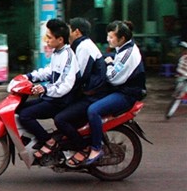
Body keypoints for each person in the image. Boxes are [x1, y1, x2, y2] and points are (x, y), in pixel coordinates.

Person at [17, 18, 80, 161]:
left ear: (60, 39)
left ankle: (48, 141)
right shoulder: (57, 52)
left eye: (49, 37)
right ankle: (37, 138)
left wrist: (45, 89)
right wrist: (29, 76)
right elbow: (48, 71)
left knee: (25, 115)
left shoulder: (68, 56)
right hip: (52, 97)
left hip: (61, 100)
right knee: (19, 109)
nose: (46, 40)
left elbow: (65, 85)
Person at [85, 20, 146, 165]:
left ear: (122, 38)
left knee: (93, 110)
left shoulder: (128, 53)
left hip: (126, 94)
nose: (108, 39)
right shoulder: (123, 49)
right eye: (108, 36)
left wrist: (109, 63)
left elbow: (113, 77)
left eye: (111, 37)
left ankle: (96, 148)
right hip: (119, 90)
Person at [53, 17, 110, 167]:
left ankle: (83, 148)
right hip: (87, 92)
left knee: (61, 119)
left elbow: (79, 76)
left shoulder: (84, 47)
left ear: (76, 32)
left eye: (69, 29)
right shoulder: (79, 46)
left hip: (92, 96)